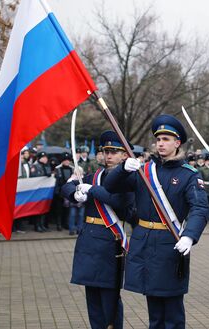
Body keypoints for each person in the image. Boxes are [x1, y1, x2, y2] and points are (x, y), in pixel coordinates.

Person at [105, 114, 209, 329]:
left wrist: (190, 236)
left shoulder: (188, 174)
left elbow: (200, 207)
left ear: (177, 143)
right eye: (158, 139)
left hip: (169, 243)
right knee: (153, 306)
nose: (160, 143)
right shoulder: (144, 171)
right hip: (144, 242)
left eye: (166, 139)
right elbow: (110, 186)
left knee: (172, 309)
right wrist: (123, 168)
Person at [61, 130, 133, 329]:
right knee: (92, 298)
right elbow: (66, 188)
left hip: (110, 243)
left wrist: (92, 190)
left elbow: (122, 204)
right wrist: (76, 194)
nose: (108, 155)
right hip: (89, 242)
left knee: (109, 300)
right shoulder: (94, 175)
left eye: (114, 152)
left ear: (125, 155)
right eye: (106, 151)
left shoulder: (128, 180)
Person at [31, 151, 52, 232]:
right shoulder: (35, 166)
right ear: (39, 158)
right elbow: (33, 177)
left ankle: (42, 225)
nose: (45, 159)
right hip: (38, 191)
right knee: (38, 208)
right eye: (43, 158)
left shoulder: (47, 166)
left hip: (45, 192)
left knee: (44, 208)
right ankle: (37, 225)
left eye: (46, 157)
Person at [199, 154, 209, 221]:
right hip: (205, 187)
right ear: (205, 161)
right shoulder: (201, 169)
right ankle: (206, 216)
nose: (208, 162)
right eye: (207, 160)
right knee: (206, 203)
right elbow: (200, 179)